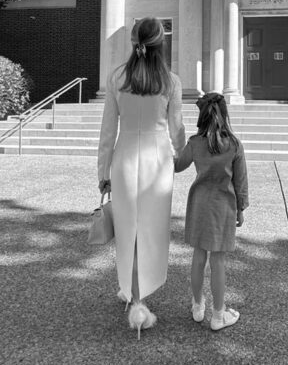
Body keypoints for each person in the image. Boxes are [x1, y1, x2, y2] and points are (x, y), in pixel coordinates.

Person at [97, 17, 186, 339]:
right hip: (158, 163)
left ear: (133, 41)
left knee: (128, 231)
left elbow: (108, 132)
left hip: (124, 160)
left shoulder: (117, 76)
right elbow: (176, 129)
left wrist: (102, 173)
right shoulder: (171, 81)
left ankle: (133, 295)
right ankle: (138, 298)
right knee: (151, 231)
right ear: (161, 43)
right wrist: (185, 156)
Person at [174, 92, 249, 331]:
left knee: (198, 257)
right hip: (223, 207)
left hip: (198, 205)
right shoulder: (234, 144)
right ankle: (218, 315)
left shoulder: (196, 143)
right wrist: (241, 208)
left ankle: (198, 306)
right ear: (225, 115)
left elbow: (176, 166)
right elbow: (240, 181)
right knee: (218, 261)